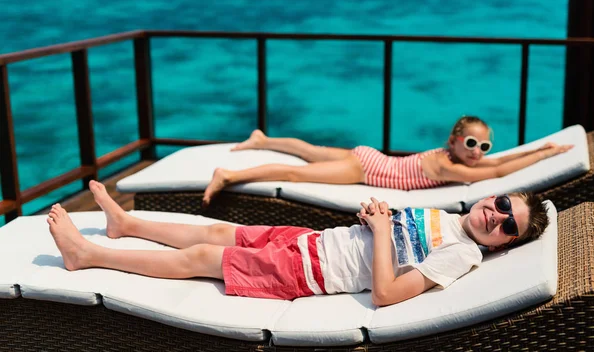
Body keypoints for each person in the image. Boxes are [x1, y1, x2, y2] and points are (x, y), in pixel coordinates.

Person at [48, 180, 548, 306]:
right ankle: (126, 225)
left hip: (307, 273)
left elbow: (387, 294)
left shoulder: (463, 254)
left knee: (203, 258)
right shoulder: (450, 218)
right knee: (217, 231)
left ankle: (87, 255)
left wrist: (376, 232)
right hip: (311, 242)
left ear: (504, 246)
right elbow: (396, 238)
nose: (498, 217)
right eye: (504, 204)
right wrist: (379, 217)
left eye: (509, 227)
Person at [201, 116, 573, 206]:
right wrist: (542, 153)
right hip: (365, 169)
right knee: (294, 173)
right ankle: (229, 174)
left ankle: (262, 139)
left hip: (369, 156)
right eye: (472, 143)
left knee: (308, 150)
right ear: (454, 142)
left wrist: (539, 150)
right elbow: (500, 169)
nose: (478, 152)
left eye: (485, 146)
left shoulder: (456, 158)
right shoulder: (450, 167)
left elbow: (501, 160)